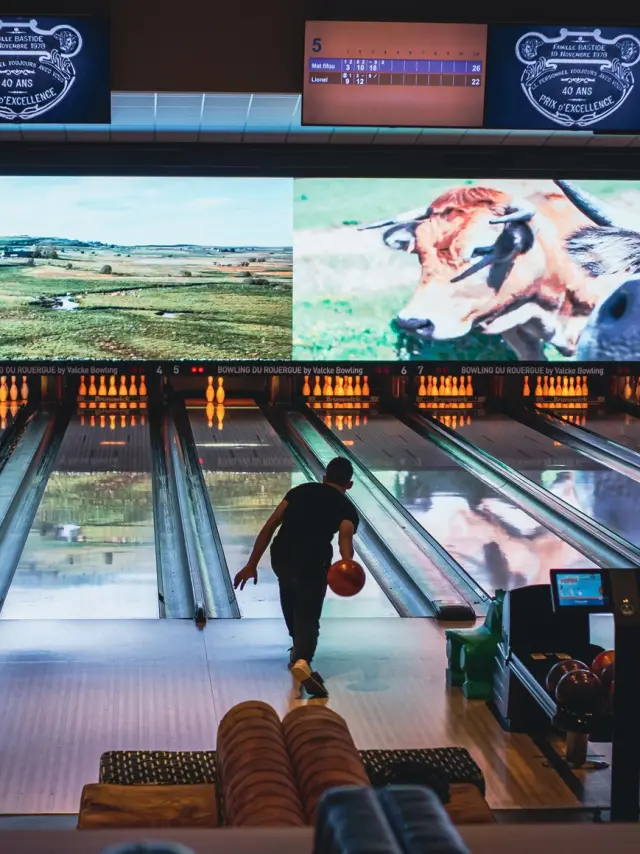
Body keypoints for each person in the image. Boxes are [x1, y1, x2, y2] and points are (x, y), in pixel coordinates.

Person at [233, 456, 359, 698]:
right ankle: (303, 661)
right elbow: (345, 540)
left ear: (324, 478)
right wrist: (346, 566)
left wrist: (251, 564)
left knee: (290, 598)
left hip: (281, 555)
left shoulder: (298, 491)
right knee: (308, 615)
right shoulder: (347, 509)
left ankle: (296, 650)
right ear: (349, 485)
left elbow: (270, 525)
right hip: (313, 561)